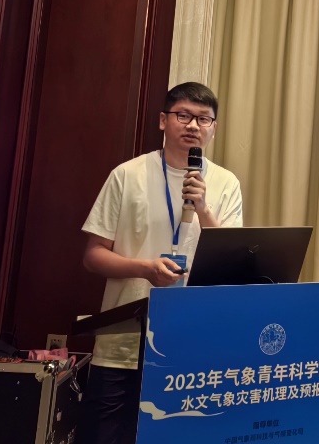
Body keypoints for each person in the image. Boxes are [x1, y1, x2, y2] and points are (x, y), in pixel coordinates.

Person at [77, 82, 244, 444]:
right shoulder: (127, 175)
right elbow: (93, 255)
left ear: (213, 128)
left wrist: (203, 208)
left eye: (203, 119)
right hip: (124, 340)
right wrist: (145, 269)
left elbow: (233, 260)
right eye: (183, 115)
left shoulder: (226, 183)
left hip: (193, 342)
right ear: (162, 121)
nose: (193, 125)